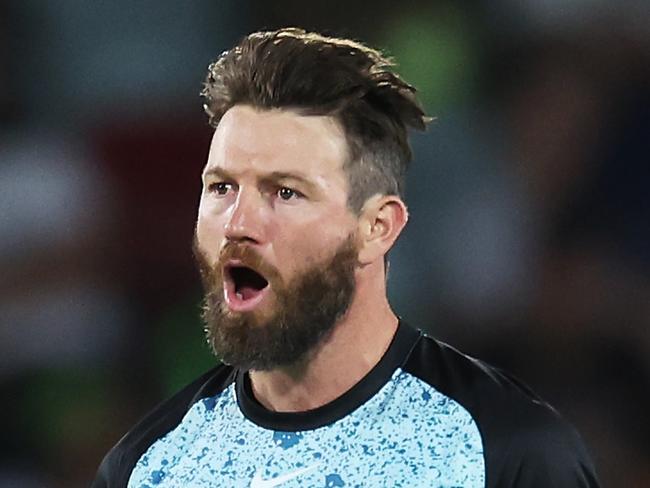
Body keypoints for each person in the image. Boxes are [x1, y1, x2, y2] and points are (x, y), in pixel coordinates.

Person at [92, 28, 600, 487]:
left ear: (377, 228)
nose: (239, 224)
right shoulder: (148, 468)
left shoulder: (505, 451)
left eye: (285, 193)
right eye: (221, 187)